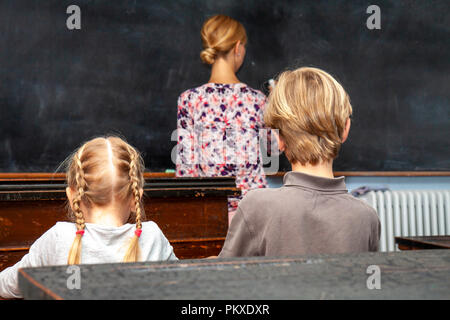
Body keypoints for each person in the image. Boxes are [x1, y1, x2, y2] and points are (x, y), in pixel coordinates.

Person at [219, 67, 381, 257]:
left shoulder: (256, 207)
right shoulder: (366, 217)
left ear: (278, 139)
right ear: (346, 129)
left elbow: (226, 278)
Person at [0, 136, 177, 299]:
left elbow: (7, 285)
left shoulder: (59, 238)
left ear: (72, 196)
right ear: (135, 198)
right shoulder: (152, 237)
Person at [176, 14, 268, 224]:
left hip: (210, 213)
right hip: (254, 213)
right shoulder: (257, 100)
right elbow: (272, 150)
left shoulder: (189, 100)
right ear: (238, 47)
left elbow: (185, 170)